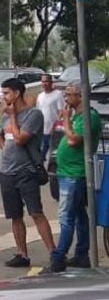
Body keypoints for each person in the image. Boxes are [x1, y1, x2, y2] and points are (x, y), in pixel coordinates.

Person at [0, 77, 55, 268]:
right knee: (15, 215)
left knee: (36, 212)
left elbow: (21, 138)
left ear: (17, 93)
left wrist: (13, 116)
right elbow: (0, 134)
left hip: (26, 170)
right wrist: (5, 149)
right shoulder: (5, 115)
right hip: (7, 171)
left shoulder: (33, 115)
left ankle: (53, 253)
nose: (3, 97)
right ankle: (22, 253)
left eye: (6, 93)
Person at [45, 83, 101, 273]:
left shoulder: (89, 117)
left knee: (65, 216)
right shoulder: (77, 116)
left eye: (69, 95)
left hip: (74, 174)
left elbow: (73, 140)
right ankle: (81, 254)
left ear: (80, 96)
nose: (66, 99)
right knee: (78, 215)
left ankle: (58, 257)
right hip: (66, 172)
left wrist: (66, 120)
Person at [35, 74, 64, 159]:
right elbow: (38, 112)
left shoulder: (57, 94)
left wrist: (56, 125)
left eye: (46, 81)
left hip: (53, 131)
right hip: (42, 131)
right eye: (43, 81)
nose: (44, 83)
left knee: (54, 155)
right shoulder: (40, 96)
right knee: (40, 155)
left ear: (51, 82)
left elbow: (61, 111)